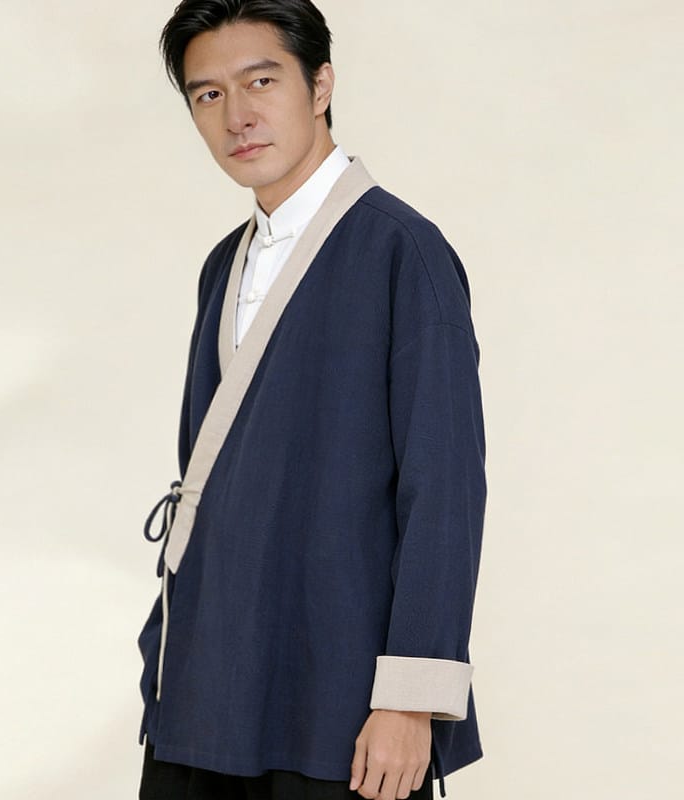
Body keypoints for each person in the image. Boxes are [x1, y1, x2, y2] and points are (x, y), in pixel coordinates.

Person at [137, 2, 487, 799]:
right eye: (208, 94)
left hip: (340, 699)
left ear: (320, 84)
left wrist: (410, 700)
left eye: (261, 81)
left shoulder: (403, 252)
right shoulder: (223, 265)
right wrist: (162, 650)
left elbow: (444, 490)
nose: (237, 115)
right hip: (204, 689)